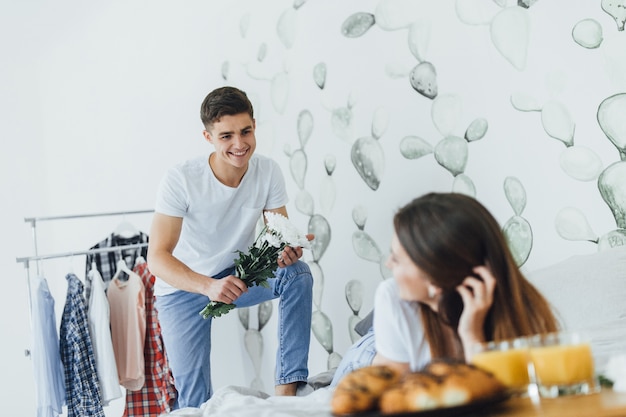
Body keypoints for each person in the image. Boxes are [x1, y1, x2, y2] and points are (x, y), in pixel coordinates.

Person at [147, 86, 314, 408]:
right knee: (193, 401)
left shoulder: (268, 172)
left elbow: (276, 237)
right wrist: (208, 286)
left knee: (297, 273)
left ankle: (287, 400)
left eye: (246, 131)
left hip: (235, 275)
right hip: (182, 287)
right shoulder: (180, 179)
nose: (240, 144)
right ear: (208, 136)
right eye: (226, 136)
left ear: (254, 125)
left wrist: (286, 251)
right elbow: (157, 258)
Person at [331, 192, 559, 385]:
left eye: (397, 259)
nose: (388, 264)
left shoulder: (521, 309)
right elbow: (398, 401)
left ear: (434, 278)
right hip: (370, 358)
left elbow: (495, 395)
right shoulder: (390, 295)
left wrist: (472, 335)